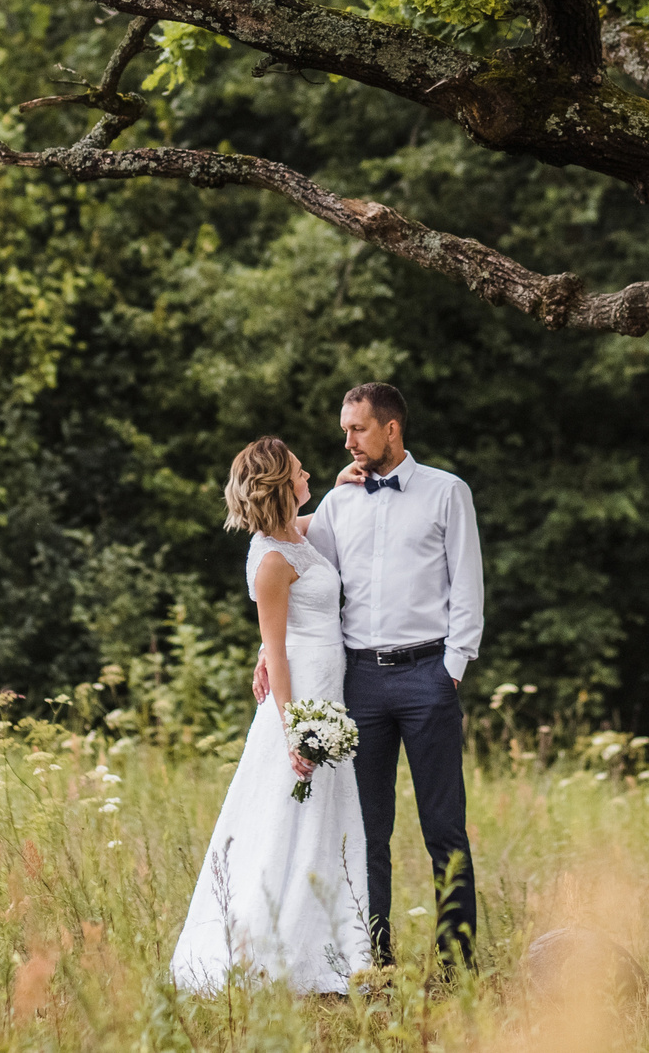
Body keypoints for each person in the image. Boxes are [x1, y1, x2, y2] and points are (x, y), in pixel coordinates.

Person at [259, 382, 483, 968]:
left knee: (443, 826)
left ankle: (457, 962)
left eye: (357, 429)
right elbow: (300, 570)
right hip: (359, 683)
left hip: (427, 676)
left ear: (391, 428)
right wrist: (266, 647)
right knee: (366, 831)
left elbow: (468, 586)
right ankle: (372, 956)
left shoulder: (447, 492)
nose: (349, 441)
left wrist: (451, 669)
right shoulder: (338, 503)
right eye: (344, 431)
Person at [168, 437, 374, 994]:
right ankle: (262, 953)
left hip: (329, 687)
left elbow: (314, 525)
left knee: (323, 817)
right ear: (283, 483)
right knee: (288, 816)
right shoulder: (271, 560)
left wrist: (338, 484)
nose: (308, 472)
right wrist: (295, 732)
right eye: (301, 470)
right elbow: (277, 650)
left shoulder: (292, 536)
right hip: (301, 694)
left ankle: (325, 942)